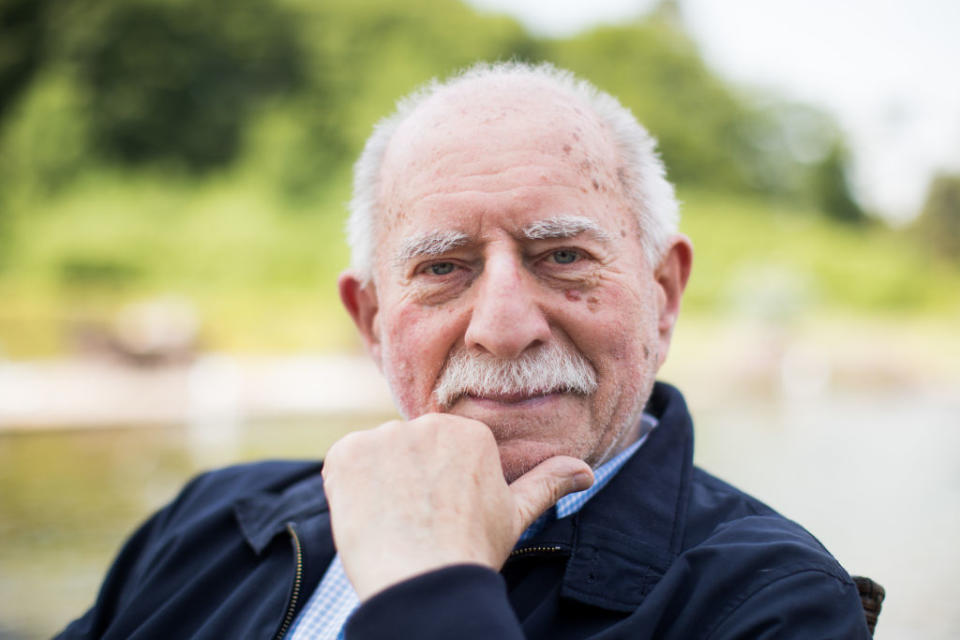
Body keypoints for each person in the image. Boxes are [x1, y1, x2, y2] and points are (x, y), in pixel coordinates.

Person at [57, 62, 871, 639]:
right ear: (371, 319)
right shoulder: (212, 522)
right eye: (444, 268)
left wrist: (428, 591)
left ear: (663, 293)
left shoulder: (772, 605)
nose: (503, 327)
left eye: (563, 257)